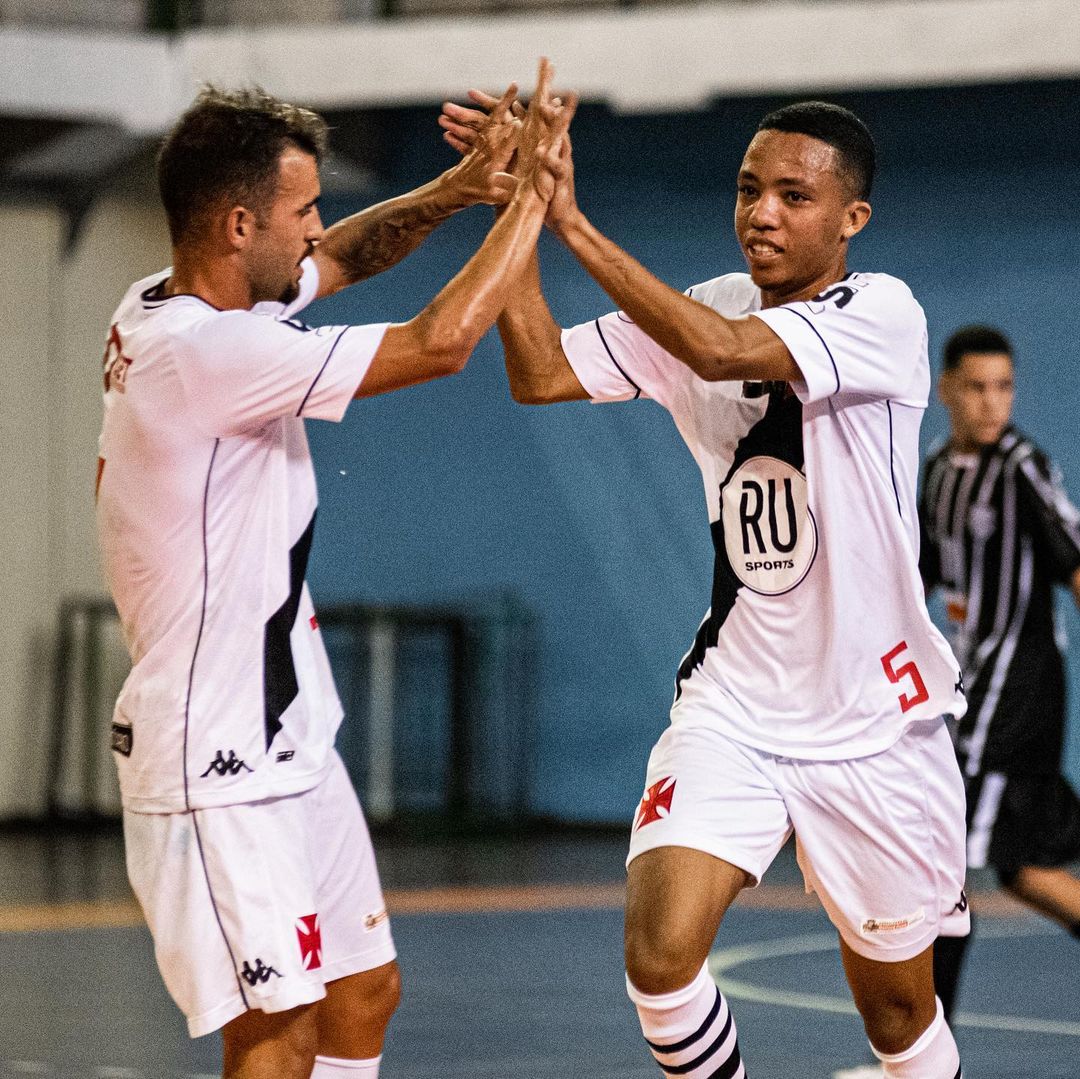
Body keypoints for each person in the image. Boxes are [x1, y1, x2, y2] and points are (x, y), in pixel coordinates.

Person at [442, 93, 969, 1077]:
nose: (761, 213)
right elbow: (540, 371)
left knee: (900, 1014)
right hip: (737, 704)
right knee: (659, 955)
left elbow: (722, 352)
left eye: (793, 196)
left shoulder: (881, 314)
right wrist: (517, 212)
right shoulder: (709, 301)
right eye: (747, 189)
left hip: (875, 720)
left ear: (851, 218)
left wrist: (572, 223)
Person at [95, 64, 573, 1079]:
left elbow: (349, 254)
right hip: (213, 748)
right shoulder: (207, 353)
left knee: (361, 990)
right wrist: (532, 199)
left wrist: (458, 190)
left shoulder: (171, 302)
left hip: (287, 727)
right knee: (277, 1029)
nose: (319, 229)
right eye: (303, 210)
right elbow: (441, 343)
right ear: (237, 226)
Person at [920, 325, 1080, 1020]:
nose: (992, 402)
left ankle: (922, 1054)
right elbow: (920, 573)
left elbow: (1074, 559)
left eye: (1004, 387)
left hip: (1017, 689)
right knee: (1022, 868)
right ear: (945, 389)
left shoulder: (1021, 466)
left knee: (939, 853)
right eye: (977, 387)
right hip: (971, 683)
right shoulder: (937, 466)